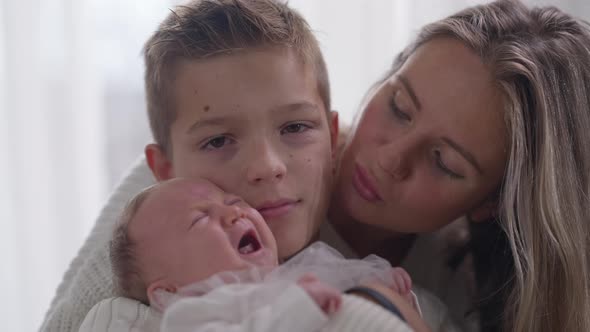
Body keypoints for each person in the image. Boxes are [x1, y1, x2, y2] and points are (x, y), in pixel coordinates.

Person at [329, 0, 590, 331]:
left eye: (444, 161)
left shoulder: (469, 293)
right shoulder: (259, 185)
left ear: (491, 202)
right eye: (399, 107)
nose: (391, 158)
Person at [78, 178, 425, 332]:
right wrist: (299, 309)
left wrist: (394, 295)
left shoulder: (300, 271)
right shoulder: (190, 315)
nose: (234, 214)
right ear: (167, 294)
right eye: (201, 219)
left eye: (233, 202)